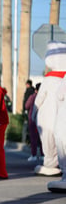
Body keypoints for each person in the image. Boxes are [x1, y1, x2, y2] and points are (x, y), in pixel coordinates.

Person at [34, 41, 65, 176]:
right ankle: (60, 162)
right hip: (61, 116)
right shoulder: (63, 77)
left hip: (47, 115)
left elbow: (39, 98)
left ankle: (50, 163)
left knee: (48, 140)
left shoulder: (48, 79)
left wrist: (34, 113)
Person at [24, 83, 43, 162]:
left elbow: (26, 106)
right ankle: (43, 155)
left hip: (33, 119)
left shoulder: (32, 97)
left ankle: (34, 155)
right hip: (43, 120)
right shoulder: (45, 97)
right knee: (42, 138)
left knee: (33, 138)